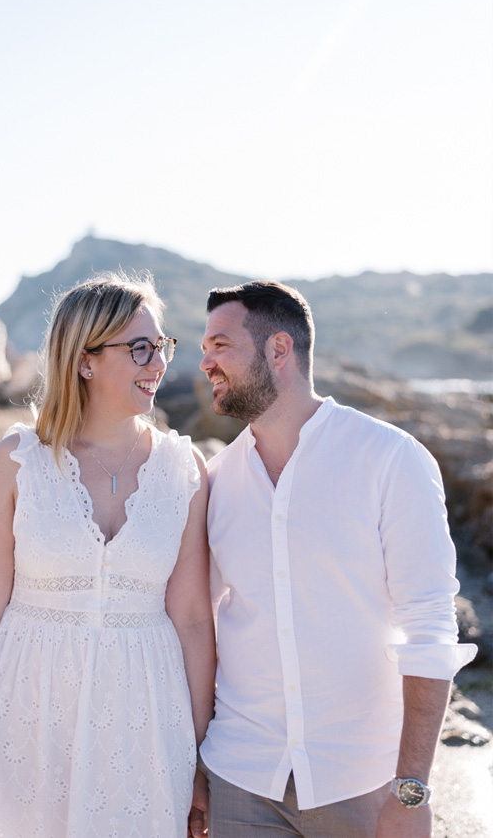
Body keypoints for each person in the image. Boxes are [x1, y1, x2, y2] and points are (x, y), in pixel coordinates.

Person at [0, 272, 216, 838]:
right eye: (139, 348)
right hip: (27, 709)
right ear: (85, 360)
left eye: (161, 346)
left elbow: (194, 620)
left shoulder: (185, 471)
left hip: (146, 717)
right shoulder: (20, 458)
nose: (157, 362)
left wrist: (203, 762)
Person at [197, 280, 477, 838]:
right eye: (204, 348)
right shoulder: (215, 482)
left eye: (220, 345)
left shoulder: (391, 460)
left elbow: (429, 625)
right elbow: (196, 628)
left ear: (280, 350)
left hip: (361, 782)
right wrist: (196, 770)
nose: (205, 362)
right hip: (240, 778)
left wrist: (412, 789)